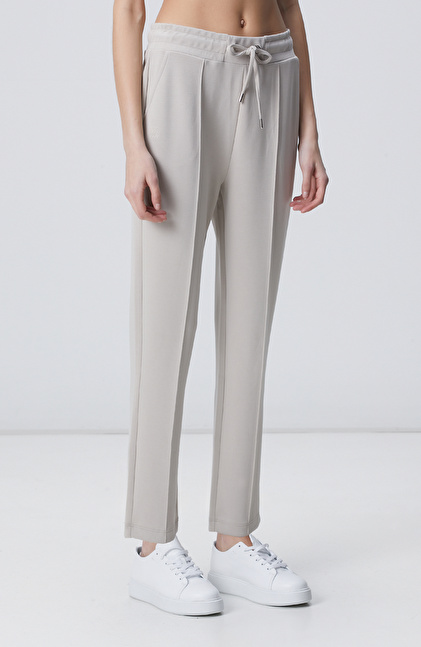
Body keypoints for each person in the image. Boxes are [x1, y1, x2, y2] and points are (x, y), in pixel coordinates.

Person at [112, 0, 329, 616]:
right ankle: (152, 543)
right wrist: (134, 144)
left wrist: (310, 129)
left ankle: (235, 538)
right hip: (184, 68)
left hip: (273, 69)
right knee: (164, 325)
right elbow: (128, 12)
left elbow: (291, 7)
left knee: (250, 326)